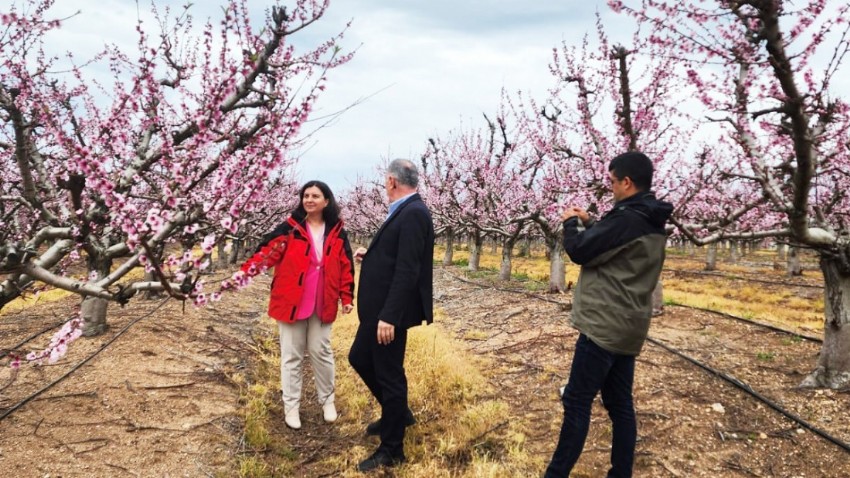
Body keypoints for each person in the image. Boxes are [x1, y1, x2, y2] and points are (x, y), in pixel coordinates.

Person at [545, 152, 672, 478]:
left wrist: (571, 223)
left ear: (627, 182)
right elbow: (616, 243)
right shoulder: (650, 218)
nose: (611, 188)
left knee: (576, 401)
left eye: (614, 182)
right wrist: (591, 221)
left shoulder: (628, 219)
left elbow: (581, 250)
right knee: (619, 405)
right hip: (629, 327)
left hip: (603, 327)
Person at [240, 181, 355, 430]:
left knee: (321, 352)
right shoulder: (291, 228)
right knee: (291, 356)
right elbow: (268, 252)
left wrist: (347, 297)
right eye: (306, 195)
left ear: (327, 201)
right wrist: (245, 273)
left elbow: (345, 265)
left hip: (322, 301)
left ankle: (327, 401)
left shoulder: (336, 231)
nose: (309, 200)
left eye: (315, 196)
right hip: (291, 301)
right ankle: (291, 406)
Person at [348, 158, 434, 472]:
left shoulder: (413, 213)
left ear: (392, 182)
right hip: (378, 309)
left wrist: (390, 317)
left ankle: (392, 449)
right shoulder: (405, 211)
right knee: (359, 357)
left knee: (390, 375)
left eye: (385, 181)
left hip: (387, 313)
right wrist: (372, 255)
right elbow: (397, 256)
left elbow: (409, 269)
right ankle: (397, 414)